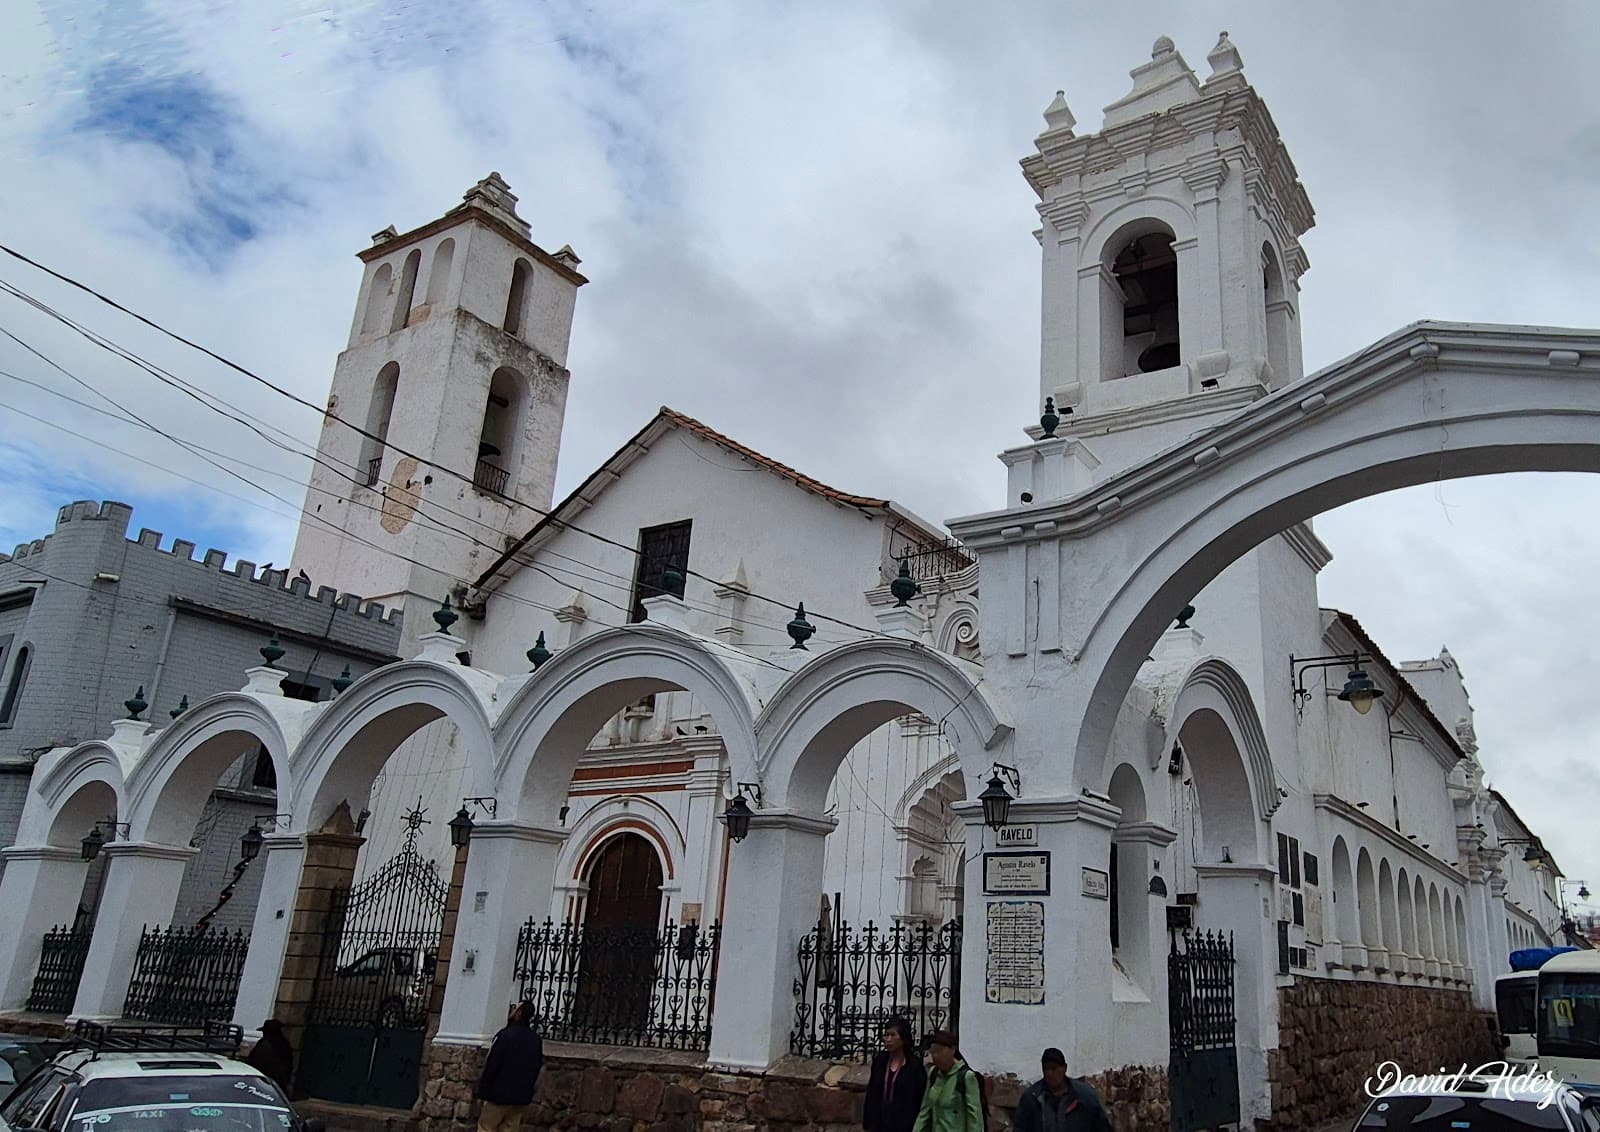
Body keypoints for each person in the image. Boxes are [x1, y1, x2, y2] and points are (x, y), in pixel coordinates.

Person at [475, 1000, 545, 1132]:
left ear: (519, 1013)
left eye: (515, 1008)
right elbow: (537, 1068)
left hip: (497, 1095)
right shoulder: (535, 1040)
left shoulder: (504, 1036)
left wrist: (483, 1090)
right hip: (519, 1097)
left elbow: (492, 1064)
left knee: (486, 1127)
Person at [1011, 1047, 1112, 1132]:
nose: (1051, 1073)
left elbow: (1103, 1127)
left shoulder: (1085, 1096)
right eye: (1047, 1069)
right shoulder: (1031, 1098)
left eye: (1055, 1068)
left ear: (1065, 1068)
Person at [911, 1030, 984, 1132]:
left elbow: (975, 1120)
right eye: (933, 1052)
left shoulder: (966, 1077)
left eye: (939, 1051)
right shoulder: (934, 1074)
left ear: (952, 1049)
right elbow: (924, 1112)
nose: (936, 1056)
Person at [864, 1016, 927, 1132]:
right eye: (886, 1035)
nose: (888, 1039)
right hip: (879, 1124)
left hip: (904, 1125)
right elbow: (872, 1092)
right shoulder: (881, 1061)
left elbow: (918, 1098)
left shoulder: (913, 1066)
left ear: (903, 1038)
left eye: (893, 1035)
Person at [245, 1019, 293, 1093]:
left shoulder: (265, 1044)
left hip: (266, 1080)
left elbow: (256, 1062)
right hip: (279, 1080)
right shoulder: (284, 1044)